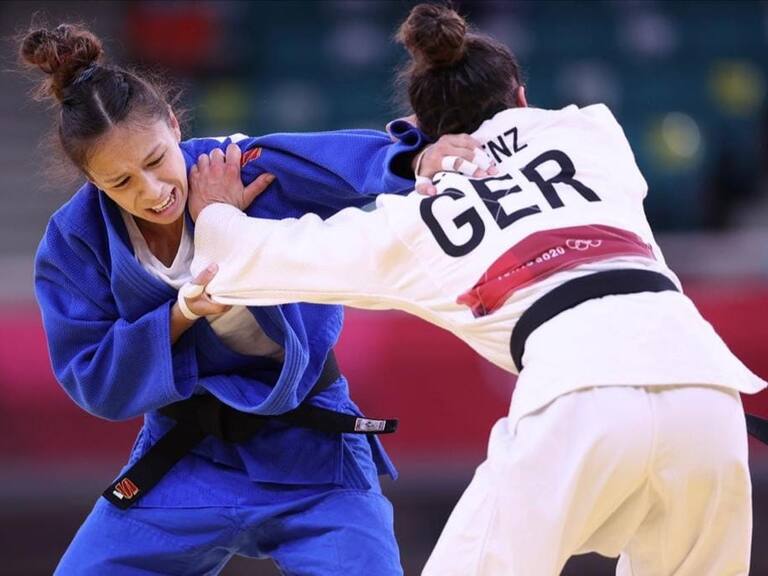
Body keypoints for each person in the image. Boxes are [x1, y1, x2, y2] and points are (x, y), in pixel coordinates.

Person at [184, 4, 768, 575]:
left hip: (576, 396)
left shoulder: (413, 221)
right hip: (705, 390)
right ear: (519, 95)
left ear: (419, 132)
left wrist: (215, 216)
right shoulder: (592, 133)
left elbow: (251, 261)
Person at [21, 22, 491, 576]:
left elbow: (337, 164)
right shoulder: (75, 241)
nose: (151, 192)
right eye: (119, 182)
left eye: (154, 161)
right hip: (186, 458)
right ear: (90, 180)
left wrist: (413, 159)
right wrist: (182, 312)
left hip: (312, 452)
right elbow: (95, 377)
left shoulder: (232, 168)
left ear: (174, 125)